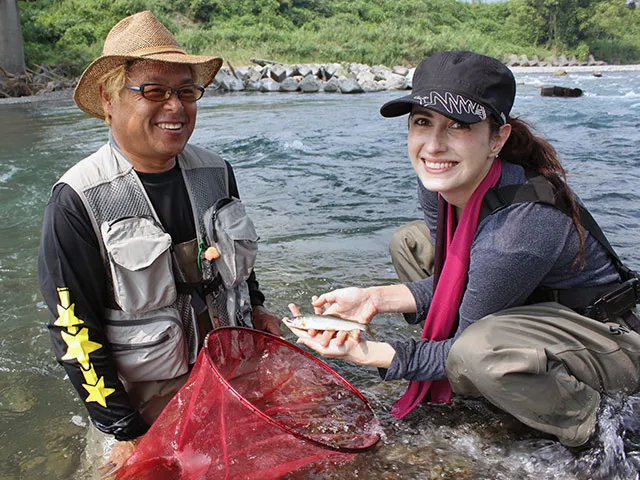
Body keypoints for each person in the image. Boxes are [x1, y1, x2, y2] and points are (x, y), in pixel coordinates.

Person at [288, 50, 640, 448]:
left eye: (459, 125)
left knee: (476, 351)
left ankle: (598, 428)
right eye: (423, 122)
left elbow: (465, 339)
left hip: (607, 345)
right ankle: (492, 373)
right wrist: (373, 298)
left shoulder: (518, 229)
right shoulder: (440, 184)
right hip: (530, 309)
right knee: (411, 243)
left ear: (498, 139)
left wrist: (372, 353)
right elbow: (456, 275)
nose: (434, 146)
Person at [37, 10, 281, 475]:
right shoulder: (76, 201)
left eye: (186, 92)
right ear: (109, 99)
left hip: (232, 383)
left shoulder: (218, 171)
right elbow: (73, 331)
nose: (176, 106)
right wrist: (125, 431)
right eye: (153, 91)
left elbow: (237, 267)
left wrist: (258, 306)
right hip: (147, 409)